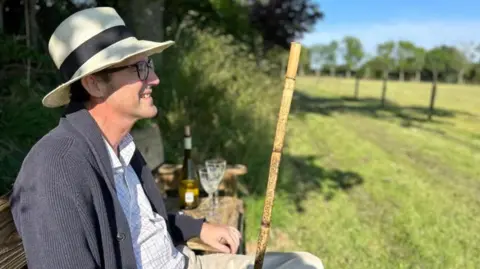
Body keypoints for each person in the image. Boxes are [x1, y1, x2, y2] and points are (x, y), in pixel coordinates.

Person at [9, 6, 324, 269]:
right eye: (139, 69)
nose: (155, 78)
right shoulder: (55, 170)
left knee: (303, 263)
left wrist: (198, 227)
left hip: (184, 262)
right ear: (94, 84)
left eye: (150, 66)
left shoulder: (123, 147)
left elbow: (145, 224)